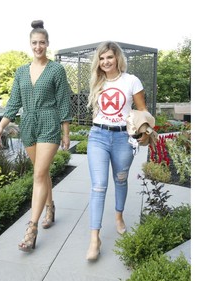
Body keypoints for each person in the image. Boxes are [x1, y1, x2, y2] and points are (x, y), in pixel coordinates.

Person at [0, 20, 72, 252]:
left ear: (48, 44)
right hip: (28, 124)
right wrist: (1, 127)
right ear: (30, 44)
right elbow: (14, 102)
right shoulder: (20, 72)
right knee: (41, 171)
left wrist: (65, 132)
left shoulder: (56, 69)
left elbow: (63, 101)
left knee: (38, 174)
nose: (38, 46)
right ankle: (50, 207)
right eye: (34, 43)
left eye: (42, 43)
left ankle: (31, 229)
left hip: (49, 122)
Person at [85, 41, 150, 261]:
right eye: (102, 58)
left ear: (117, 58)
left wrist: (145, 131)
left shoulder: (131, 81)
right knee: (98, 186)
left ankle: (119, 216)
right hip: (98, 137)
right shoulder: (97, 81)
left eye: (109, 57)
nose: (105, 62)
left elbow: (142, 110)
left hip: (123, 137)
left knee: (120, 179)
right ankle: (95, 238)